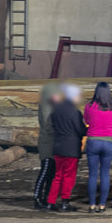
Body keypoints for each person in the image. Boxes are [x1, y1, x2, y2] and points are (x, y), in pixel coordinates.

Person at [46, 84, 87, 212]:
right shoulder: (75, 112)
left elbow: (53, 128)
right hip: (71, 149)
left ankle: (50, 202)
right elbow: (80, 130)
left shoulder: (55, 111)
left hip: (58, 148)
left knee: (57, 175)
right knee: (69, 176)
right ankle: (65, 202)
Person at [84, 82, 112, 213]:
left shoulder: (89, 106)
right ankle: (102, 205)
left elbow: (86, 121)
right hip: (108, 142)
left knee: (93, 174)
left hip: (93, 141)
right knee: (105, 174)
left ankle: (92, 205)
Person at [33, 82, 63, 210]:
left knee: (52, 172)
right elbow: (47, 124)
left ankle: (47, 198)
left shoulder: (53, 105)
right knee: (45, 171)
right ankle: (37, 198)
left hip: (54, 142)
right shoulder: (47, 106)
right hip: (47, 142)